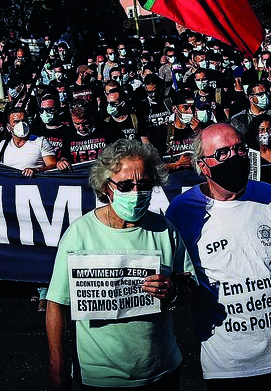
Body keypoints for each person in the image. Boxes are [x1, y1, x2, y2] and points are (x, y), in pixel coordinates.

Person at [166, 123, 271, 388]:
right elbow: (179, 277)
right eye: (223, 153)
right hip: (229, 364)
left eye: (239, 149)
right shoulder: (182, 211)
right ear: (203, 166)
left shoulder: (268, 195)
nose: (234, 157)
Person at [46, 139, 195, 390]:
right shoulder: (80, 234)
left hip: (162, 372)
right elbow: (56, 305)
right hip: (100, 378)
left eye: (145, 185)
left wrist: (173, 289)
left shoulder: (164, 229)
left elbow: (190, 284)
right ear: (106, 186)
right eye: (126, 185)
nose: (136, 193)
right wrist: (57, 368)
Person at [0, 107, 59, 177]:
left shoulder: (40, 141)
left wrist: (36, 170)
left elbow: (53, 165)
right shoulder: (2, 146)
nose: (21, 124)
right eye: (16, 122)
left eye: (24, 121)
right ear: (9, 127)